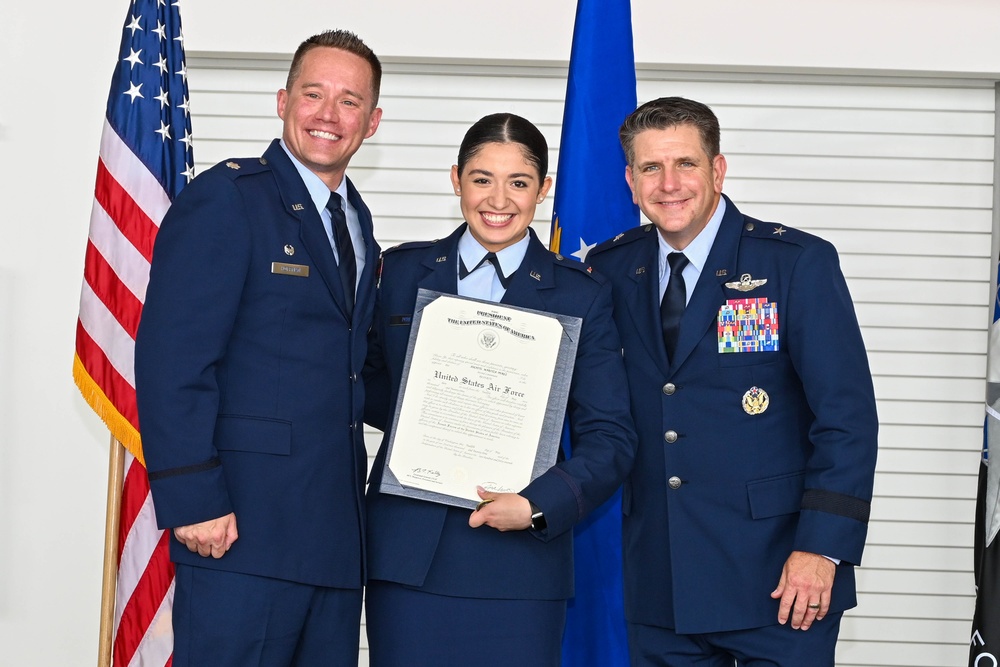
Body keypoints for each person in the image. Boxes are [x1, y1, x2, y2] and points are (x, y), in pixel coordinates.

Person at [587, 97, 878, 666]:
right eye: (651, 168)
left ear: (717, 169)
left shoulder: (794, 263)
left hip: (781, 579)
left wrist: (822, 548)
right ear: (630, 179)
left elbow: (846, 418)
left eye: (686, 164)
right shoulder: (611, 269)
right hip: (660, 578)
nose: (669, 184)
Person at [134, 29, 382, 667]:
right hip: (239, 531)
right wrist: (195, 499)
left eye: (349, 101)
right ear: (282, 101)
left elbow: (347, 373)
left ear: (373, 122)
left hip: (331, 539)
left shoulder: (357, 222)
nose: (329, 115)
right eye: (313, 94)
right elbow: (173, 359)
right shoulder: (229, 198)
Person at [361, 112, 637, 667]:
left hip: (520, 563)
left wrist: (538, 505)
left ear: (543, 190)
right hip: (407, 556)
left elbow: (610, 436)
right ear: (456, 179)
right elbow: (360, 387)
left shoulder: (582, 294)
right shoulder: (399, 271)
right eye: (482, 178)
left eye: (519, 182)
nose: (499, 199)